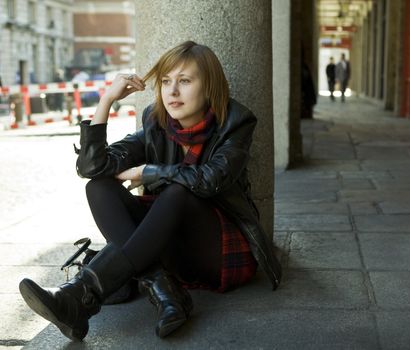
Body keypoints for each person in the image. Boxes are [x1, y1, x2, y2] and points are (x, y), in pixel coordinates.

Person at [18, 41, 282, 341]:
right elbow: (94, 167)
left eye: (184, 81)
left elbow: (210, 180)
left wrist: (148, 171)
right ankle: (166, 291)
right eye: (166, 81)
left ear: (209, 86)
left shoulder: (235, 122)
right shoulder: (156, 124)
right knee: (100, 188)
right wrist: (107, 101)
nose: (172, 92)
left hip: (218, 250)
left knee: (178, 191)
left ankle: (82, 295)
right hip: (169, 246)